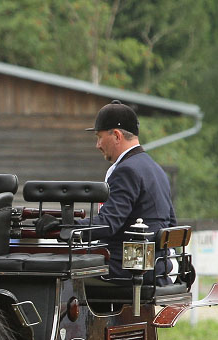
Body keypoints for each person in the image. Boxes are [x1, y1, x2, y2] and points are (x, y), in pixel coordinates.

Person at [37, 100, 178, 282]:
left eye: (99, 137)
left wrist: (65, 225)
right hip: (157, 263)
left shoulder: (127, 170)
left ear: (117, 135)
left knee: (60, 271)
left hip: (130, 266)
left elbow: (109, 223)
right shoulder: (155, 168)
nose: (97, 145)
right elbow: (171, 222)